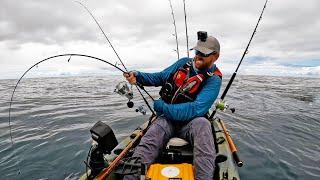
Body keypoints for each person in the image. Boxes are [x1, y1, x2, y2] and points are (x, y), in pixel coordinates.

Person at [123, 31, 222, 180]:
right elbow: (160, 77)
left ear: (215, 57)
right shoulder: (183, 63)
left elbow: (195, 109)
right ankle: (131, 177)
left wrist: (163, 107)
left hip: (191, 123)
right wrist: (138, 75)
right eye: (197, 51)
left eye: (204, 53)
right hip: (167, 120)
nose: (198, 55)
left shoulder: (214, 79)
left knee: (203, 124)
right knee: (150, 138)